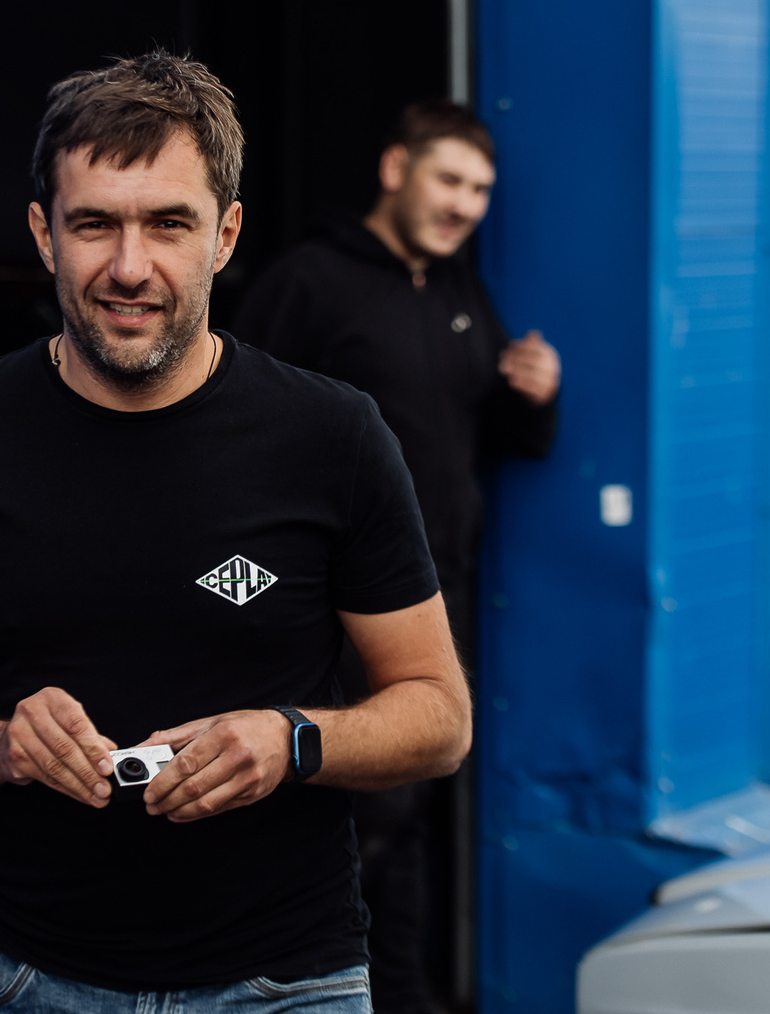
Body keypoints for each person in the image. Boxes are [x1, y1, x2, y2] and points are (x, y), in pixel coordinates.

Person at [0, 52, 472, 1014]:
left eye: (169, 223)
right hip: (34, 978)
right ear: (45, 234)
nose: (130, 268)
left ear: (225, 235)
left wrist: (291, 739)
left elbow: (439, 717)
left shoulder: (332, 436)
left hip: (285, 980)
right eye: (95, 223)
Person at [234, 101, 560, 1013]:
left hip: (435, 596)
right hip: (329, 609)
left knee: (409, 808)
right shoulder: (310, 281)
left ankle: (403, 998)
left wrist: (533, 396)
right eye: (449, 179)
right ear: (395, 170)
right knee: (348, 819)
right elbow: (232, 423)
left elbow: (494, 436)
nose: (464, 205)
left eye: (480, 190)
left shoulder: (460, 294)